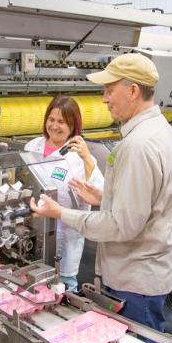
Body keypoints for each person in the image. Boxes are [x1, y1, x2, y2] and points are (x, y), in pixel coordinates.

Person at [29, 53, 172, 332]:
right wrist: (104, 199)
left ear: (133, 91)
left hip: (135, 280)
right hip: (145, 273)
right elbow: (144, 204)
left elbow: (120, 226)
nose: (104, 99)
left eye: (110, 90)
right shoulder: (158, 130)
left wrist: (60, 213)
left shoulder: (138, 145)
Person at [25, 95, 103, 292]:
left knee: (64, 288)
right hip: (33, 231)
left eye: (62, 122)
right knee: (32, 284)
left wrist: (87, 160)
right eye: (51, 119)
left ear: (72, 126)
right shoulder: (32, 146)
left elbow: (99, 194)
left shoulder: (78, 157)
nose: (55, 126)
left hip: (64, 235)